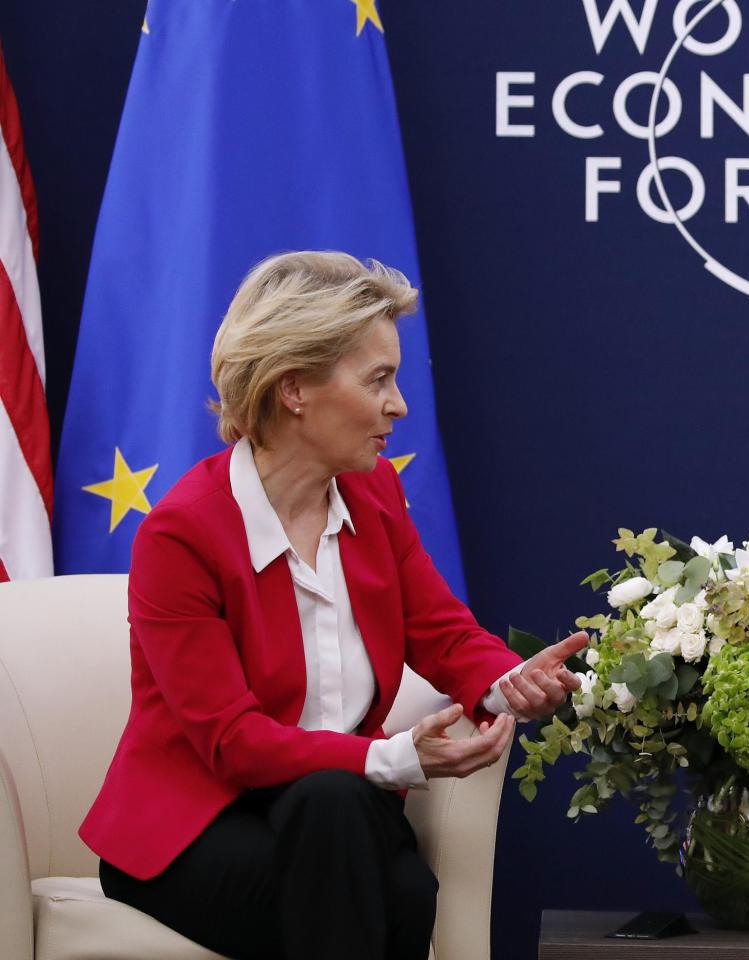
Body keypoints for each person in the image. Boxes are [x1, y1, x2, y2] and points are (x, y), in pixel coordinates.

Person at [80, 251, 587, 960]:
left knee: (343, 814)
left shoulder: (374, 494)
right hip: (199, 826)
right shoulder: (182, 534)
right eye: (379, 379)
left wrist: (508, 683)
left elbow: (440, 630)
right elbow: (232, 742)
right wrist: (397, 756)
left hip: (338, 809)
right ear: (294, 389)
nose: (399, 405)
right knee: (387, 880)